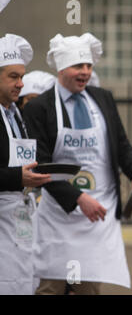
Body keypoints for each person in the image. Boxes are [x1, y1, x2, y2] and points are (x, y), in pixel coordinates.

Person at [23, 33, 132, 295]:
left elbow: (121, 145)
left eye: (89, 66)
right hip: (58, 216)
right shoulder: (40, 108)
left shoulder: (102, 98)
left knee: (88, 288)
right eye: (78, 66)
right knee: (50, 288)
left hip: (98, 216)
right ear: (61, 69)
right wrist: (79, 198)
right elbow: (41, 164)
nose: (85, 72)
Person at [0, 34, 51, 294]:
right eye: (13, 76)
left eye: (22, 76)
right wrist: (16, 178)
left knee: (24, 281)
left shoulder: (15, 114)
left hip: (20, 213)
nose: (21, 84)